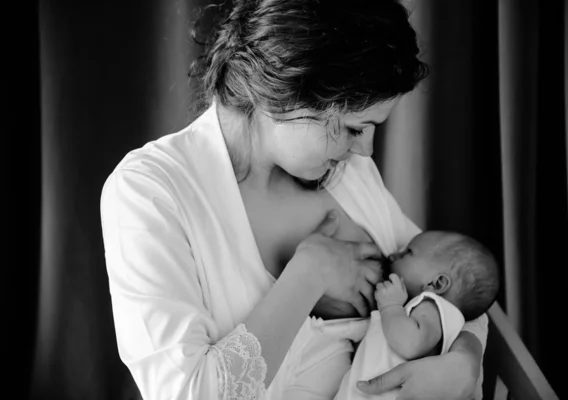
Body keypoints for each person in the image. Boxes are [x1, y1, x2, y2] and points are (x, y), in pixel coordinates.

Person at [100, 0, 490, 399]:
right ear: (284, 98)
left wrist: (465, 359)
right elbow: (187, 393)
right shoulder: (151, 192)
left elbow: (455, 283)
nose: (366, 151)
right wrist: (309, 273)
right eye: (355, 128)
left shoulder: (345, 174)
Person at [335, 231, 500, 400]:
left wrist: (390, 305)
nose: (393, 256)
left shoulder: (433, 306)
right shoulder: (420, 310)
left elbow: (410, 344)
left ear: (437, 283)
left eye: (408, 252)